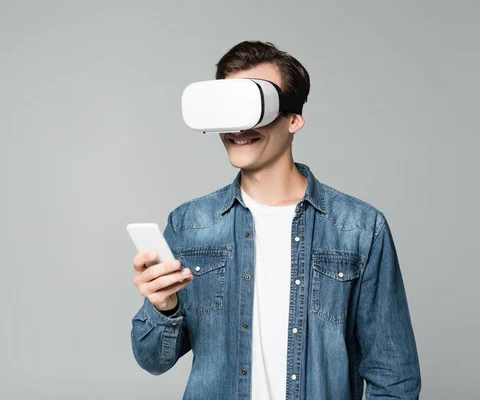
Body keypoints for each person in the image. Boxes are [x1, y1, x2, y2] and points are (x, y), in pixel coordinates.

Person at [130, 40, 421, 400]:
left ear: (294, 118)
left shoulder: (359, 228)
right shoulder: (190, 224)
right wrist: (164, 307)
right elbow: (152, 359)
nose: (238, 127)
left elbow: (394, 376)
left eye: (253, 108)